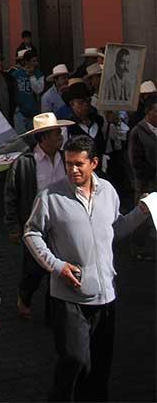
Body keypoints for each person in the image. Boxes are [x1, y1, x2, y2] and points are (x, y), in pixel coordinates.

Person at [23, 135, 150, 402]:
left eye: (79, 164)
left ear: (93, 163)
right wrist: (56, 266)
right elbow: (32, 234)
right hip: (70, 297)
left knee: (100, 368)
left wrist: (141, 212)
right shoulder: (50, 196)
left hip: (105, 296)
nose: (73, 170)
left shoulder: (108, 192)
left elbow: (115, 230)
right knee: (74, 361)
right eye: (68, 164)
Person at [4, 113, 74, 318]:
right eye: (55, 134)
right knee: (34, 269)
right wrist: (14, 226)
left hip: (62, 223)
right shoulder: (25, 163)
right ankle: (25, 295)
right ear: (43, 138)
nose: (60, 137)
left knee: (58, 267)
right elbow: (11, 195)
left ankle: (54, 311)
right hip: (35, 224)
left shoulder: (65, 158)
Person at [127, 95, 157, 260]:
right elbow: (135, 161)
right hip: (146, 182)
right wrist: (145, 182)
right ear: (148, 112)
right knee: (143, 216)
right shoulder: (138, 132)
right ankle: (137, 247)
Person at [12, 49, 44, 134]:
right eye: (33, 61)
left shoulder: (39, 74)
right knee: (22, 136)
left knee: (34, 136)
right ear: (26, 62)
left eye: (36, 61)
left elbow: (38, 90)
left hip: (34, 111)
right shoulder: (16, 74)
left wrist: (32, 76)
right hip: (20, 111)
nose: (36, 63)